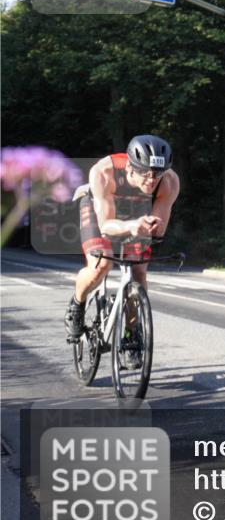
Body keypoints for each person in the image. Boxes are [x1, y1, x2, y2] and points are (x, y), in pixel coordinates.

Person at [64, 135, 180, 365]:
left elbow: (160, 227)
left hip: (138, 211)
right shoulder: (104, 172)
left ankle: (131, 334)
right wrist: (130, 226)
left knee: (139, 273)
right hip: (101, 211)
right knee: (101, 265)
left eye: (157, 174)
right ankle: (76, 305)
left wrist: (151, 227)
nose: (151, 180)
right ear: (130, 166)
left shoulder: (169, 182)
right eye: (146, 173)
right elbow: (106, 225)